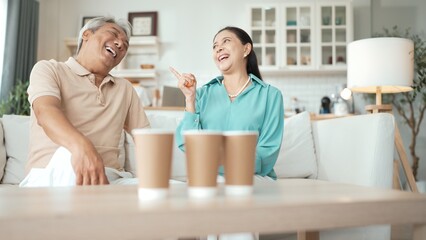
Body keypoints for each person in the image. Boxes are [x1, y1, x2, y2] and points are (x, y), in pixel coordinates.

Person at [20, 16, 150, 187]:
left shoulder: (125, 89)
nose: (120, 44)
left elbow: (147, 138)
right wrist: (81, 148)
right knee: (65, 157)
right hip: (51, 173)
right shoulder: (49, 69)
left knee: (173, 189)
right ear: (86, 35)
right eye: (113, 34)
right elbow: (45, 112)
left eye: (125, 45)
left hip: (109, 177)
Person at [171, 26, 284, 181]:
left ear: (246, 49)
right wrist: (190, 99)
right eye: (215, 46)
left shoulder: (270, 95)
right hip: (211, 178)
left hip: (253, 177)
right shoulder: (201, 94)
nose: (219, 48)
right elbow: (187, 144)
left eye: (226, 41)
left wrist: (216, 161)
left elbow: (267, 153)